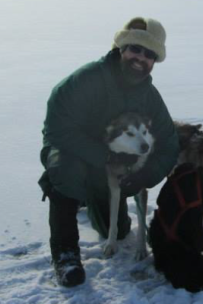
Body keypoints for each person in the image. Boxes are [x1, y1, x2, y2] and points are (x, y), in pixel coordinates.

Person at [38, 17, 180, 288]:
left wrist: (146, 175)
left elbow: (169, 144)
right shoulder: (88, 79)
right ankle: (65, 253)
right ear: (121, 48)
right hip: (73, 153)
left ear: (154, 62)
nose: (140, 58)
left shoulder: (150, 97)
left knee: (115, 231)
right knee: (66, 172)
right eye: (135, 49)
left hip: (112, 170)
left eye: (149, 54)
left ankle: (88, 199)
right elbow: (56, 128)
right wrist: (103, 156)